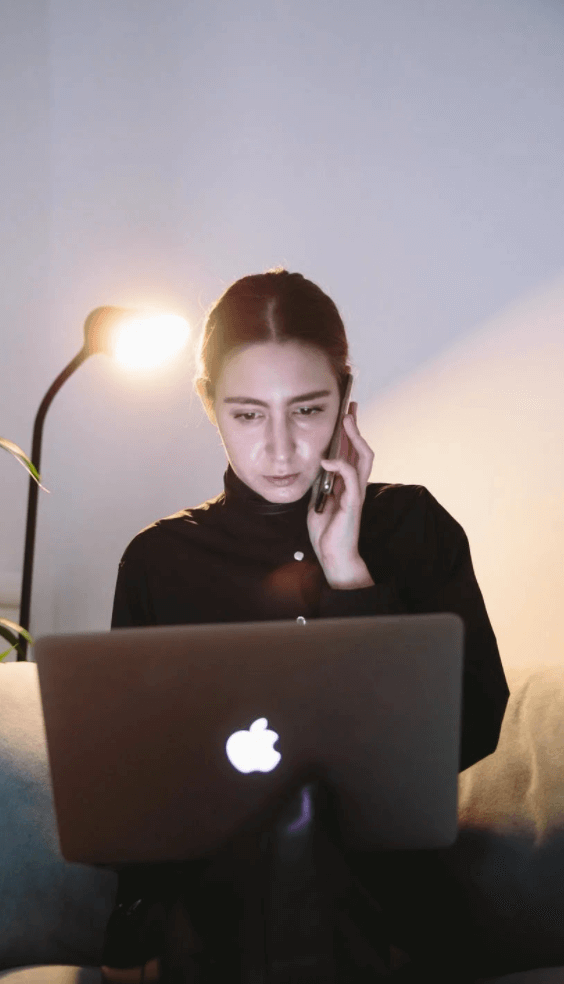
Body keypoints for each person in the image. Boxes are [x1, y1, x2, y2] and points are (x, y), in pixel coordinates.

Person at [104, 268, 511, 982]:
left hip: (382, 899)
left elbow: (466, 728)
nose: (282, 448)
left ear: (346, 402)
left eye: (307, 409)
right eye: (249, 413)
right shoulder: (159, 561)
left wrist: (348, 572)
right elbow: (132, 782)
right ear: (208, 405)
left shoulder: (413, 529)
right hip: (215, 903)